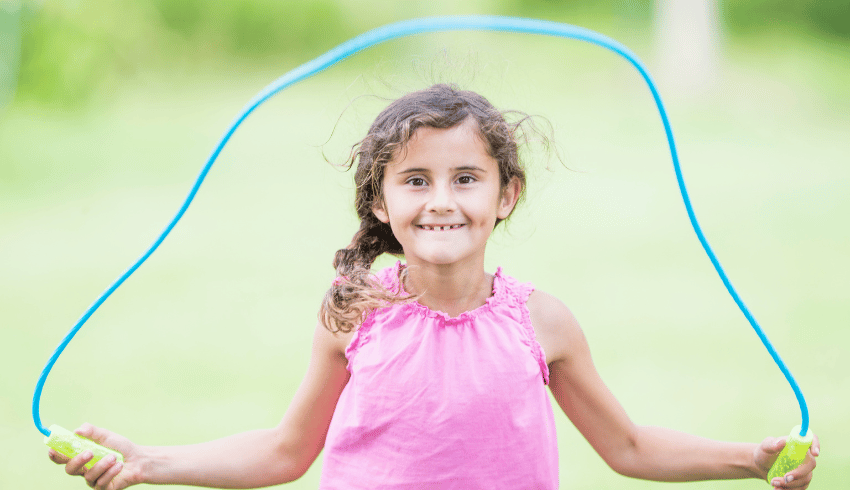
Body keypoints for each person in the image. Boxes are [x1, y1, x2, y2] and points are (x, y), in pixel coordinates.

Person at [49, 84, 819, 490]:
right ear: (382, 203)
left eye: (466, 177)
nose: (442, 199)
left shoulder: (543, 323)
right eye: (415, 180)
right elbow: (287, 453)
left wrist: (748, 461)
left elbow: (626, 446)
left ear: (506, 194)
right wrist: (148, 462)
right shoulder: (352, 314)